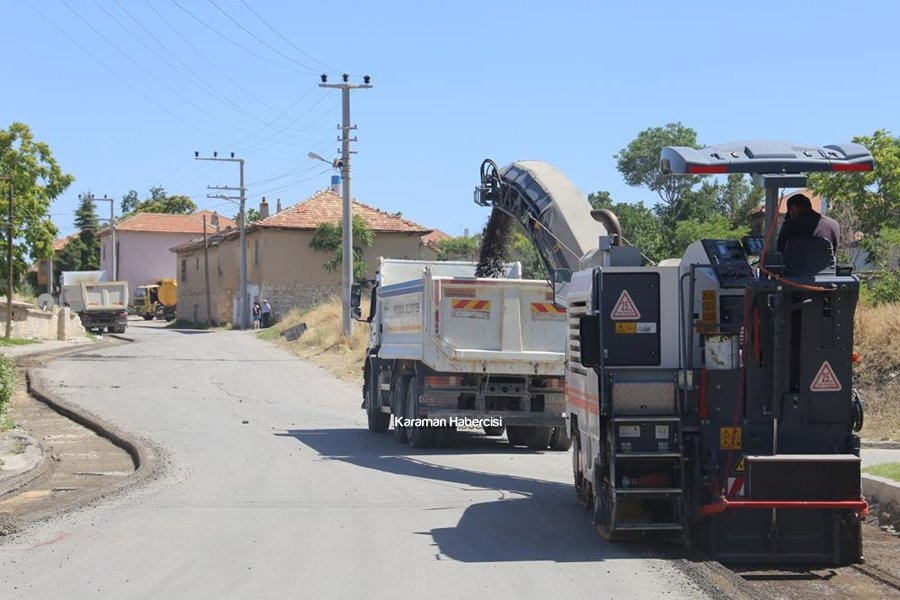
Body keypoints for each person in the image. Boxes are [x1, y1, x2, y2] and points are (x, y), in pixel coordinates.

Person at [776, 193, 841, 254]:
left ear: (794, 208)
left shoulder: (790, 225)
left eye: (790, 214)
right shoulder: (833, 224)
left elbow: (780, 250)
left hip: (797, 265)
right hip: (827, 265)